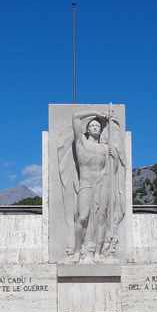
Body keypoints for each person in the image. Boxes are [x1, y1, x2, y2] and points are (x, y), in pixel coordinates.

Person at [58, 108, 126, 263]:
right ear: (87, 129)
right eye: (92, 126)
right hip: (86, 183)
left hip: (102, 184)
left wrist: (113, 158)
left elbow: (112, 172)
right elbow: (75, 116)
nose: (96, 127)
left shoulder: (104, 148)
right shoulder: (81, 143)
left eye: (98, 126)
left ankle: (98, 252)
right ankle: (76, 251)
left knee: (102, 218)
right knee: (83, 217)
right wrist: (97, 113)